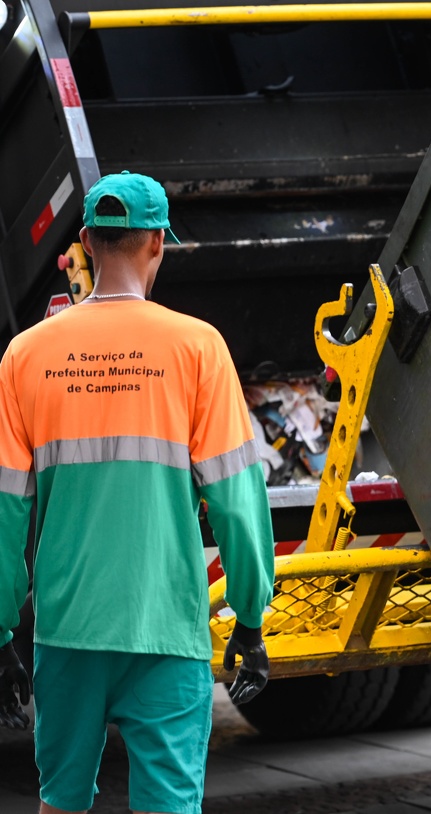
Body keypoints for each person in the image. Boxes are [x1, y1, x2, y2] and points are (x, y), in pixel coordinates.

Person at [0, 171, 275, 814]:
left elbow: (7, 511)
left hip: (67, 628)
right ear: (157, 243)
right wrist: (250, 616)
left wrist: (2, 631)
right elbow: (237, 502)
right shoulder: (198, 348)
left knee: (60, 801)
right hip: (166, 628)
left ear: (85, 241)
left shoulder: (25, 355)